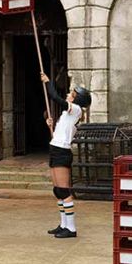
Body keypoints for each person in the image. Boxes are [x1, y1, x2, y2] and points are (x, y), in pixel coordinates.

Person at [40, 72, 92, 238]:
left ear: (77, 99)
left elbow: (56, 98)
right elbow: (61, 132)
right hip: (56, 148)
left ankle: (71, 228)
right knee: (57, 190)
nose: (69, 95)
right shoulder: (68, 114)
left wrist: (48, 83)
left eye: (72, 94)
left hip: (62, 151)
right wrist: (49, 124)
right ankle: (63, 224)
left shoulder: (76, 109)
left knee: (64, 190)